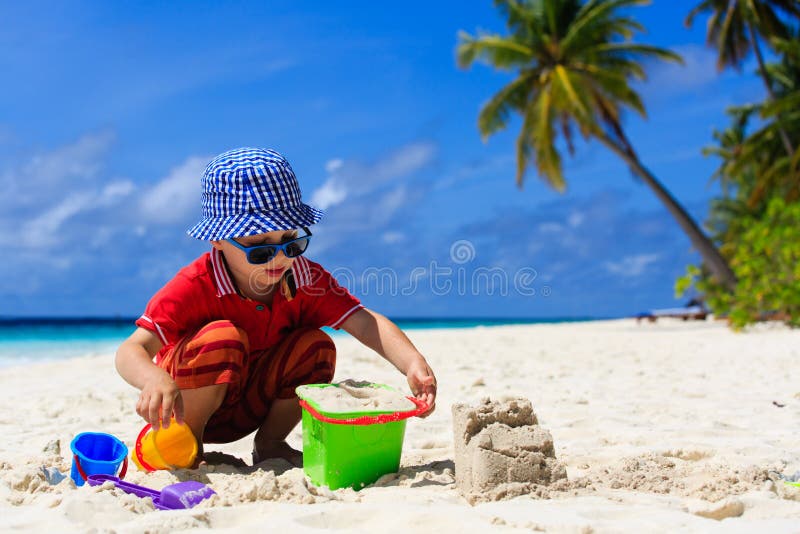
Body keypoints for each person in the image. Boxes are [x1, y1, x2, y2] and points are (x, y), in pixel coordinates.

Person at [115, 147, 437, 466]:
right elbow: (131, 350)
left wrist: (410, 361)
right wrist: (153, 379)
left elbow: (363, 321)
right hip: (187, 407)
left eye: (292, 242)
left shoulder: (303, 278)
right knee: (222, 338)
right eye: (259, 249)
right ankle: (190, 445)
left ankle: (270, 443)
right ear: (217, 239)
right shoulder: (196, 285)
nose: (281, 258)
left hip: (251, 403)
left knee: (318, 346)